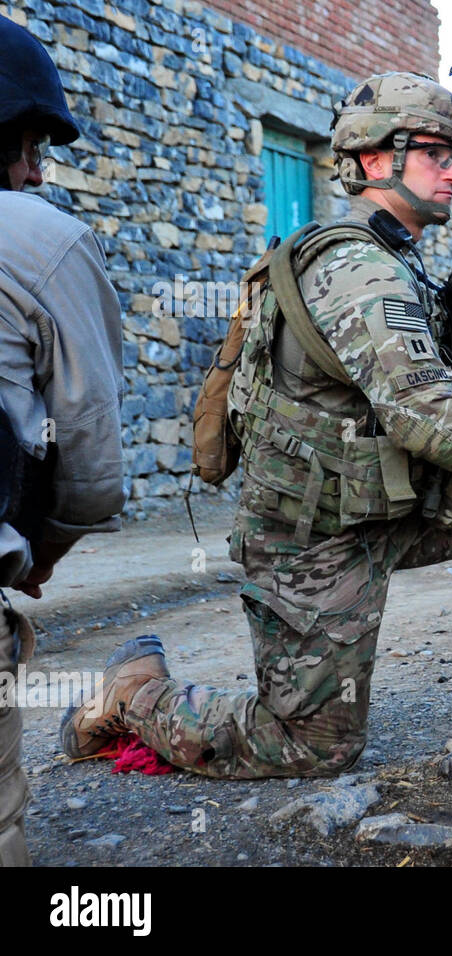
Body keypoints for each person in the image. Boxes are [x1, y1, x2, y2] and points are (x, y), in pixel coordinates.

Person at [61, 72, 452, 780]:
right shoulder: (362, 271)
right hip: (314, 541)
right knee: (310, 747)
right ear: (373, 161)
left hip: (386, 507)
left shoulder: (391, 256)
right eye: (435, 153)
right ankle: (136, 693)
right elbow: (444, 432)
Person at [0, 15, 125, 865]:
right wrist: (41, 551)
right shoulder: (36, 236)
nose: (39, 170)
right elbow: (90, 456)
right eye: (32, 143)